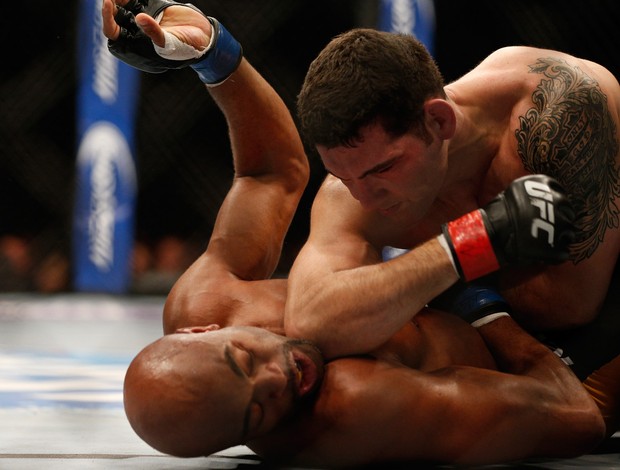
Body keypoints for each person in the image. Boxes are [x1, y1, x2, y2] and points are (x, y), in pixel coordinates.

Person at [102, 1, 617, 467]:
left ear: (201, 332)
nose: (279, 381)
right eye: (255, 418)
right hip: (553, 365)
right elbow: (576, 407)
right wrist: (475, 284)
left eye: (245, 362)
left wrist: (216, 60)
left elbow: (269, 175)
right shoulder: (351, 410)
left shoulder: (206, 301)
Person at [286, 27, 620, 359]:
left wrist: (413, 283)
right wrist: (465, 244)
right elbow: (311, 322)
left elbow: (568, 304)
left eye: (383, 169)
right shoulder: (353, 195)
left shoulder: (559, 108)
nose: (366, 199)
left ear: (439, 121)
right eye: (344, 176)